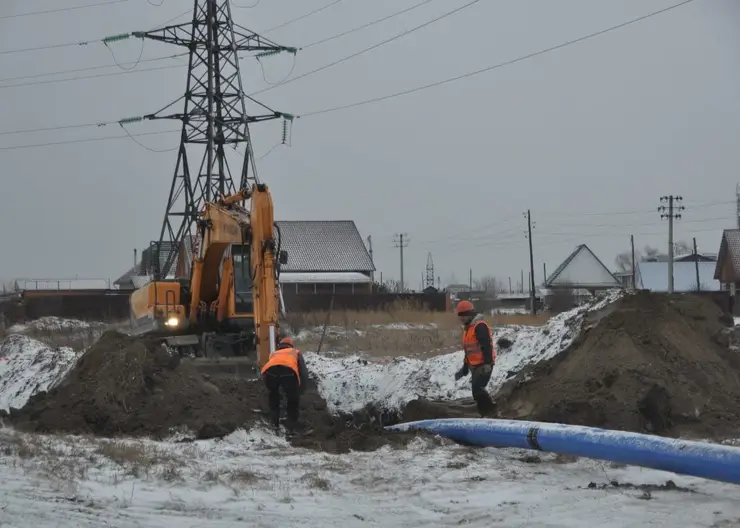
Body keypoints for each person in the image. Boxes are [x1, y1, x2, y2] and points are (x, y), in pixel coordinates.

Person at [453, 300, 497, 417]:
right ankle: (485, 413)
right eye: (460, 315)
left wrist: (488, 363)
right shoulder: (468, 329)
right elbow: (469, 351)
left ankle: (491, 412)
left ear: (471, 314)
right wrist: (464, 369)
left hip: (483, 365)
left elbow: (486, 345)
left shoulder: (479, 326)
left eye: (464, 315)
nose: (461, 318)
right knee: (476, 391)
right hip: (475, 366)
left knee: (477, 389)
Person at [260, 336, 309, 432]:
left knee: (273, 395)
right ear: (291, 345)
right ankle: (291, 426)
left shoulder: (274, 353)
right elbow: (303, 372)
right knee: (293, 399)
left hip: (270, 373)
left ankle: (274, 423)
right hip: (288, 372)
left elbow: (273, 367)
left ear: (280, 346)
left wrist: (271, 387)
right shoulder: (295, 352)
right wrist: (301, 389)